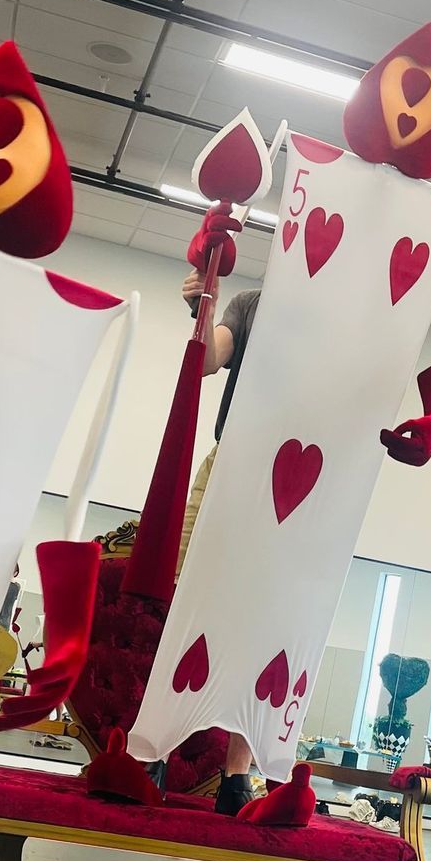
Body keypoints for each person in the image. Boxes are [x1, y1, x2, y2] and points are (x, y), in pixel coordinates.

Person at [177, 271, 260, 813]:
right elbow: (207, 360)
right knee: (178, 593)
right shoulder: (254, 304)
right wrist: (202, 308)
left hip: (305, 474)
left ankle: (236, 776)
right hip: (230, 457)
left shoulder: (354, 324)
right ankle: (154, 746)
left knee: (266, 622)